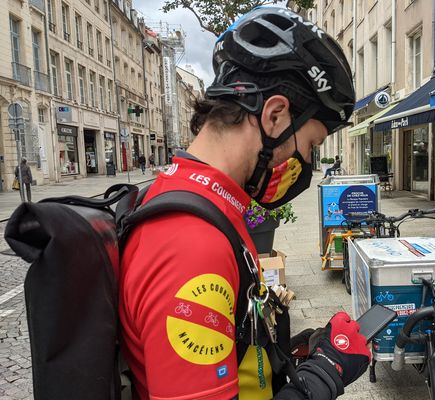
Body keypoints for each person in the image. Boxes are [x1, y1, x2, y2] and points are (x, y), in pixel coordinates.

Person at [119, 7, 369, 400]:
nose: (306, 165)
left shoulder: (201, 200)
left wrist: (283, 351)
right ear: (274, 115)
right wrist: (327, 373)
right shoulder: (191, 245)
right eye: (312, 145)